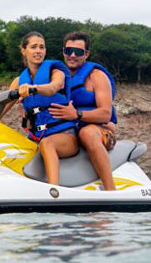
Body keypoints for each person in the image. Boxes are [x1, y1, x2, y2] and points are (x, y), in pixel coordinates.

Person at [1, 32, 78, 186]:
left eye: (41, 47)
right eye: (33, 47)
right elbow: (1, 108)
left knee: (47, 144)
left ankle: (54, 191)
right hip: (35, 137)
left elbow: (53, 88)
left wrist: (33, 88)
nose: (38, 51)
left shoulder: (56, 72)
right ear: (23, 50)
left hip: (65, 136)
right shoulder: (19, 81)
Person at [48, 31, 117, 191]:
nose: (72, 55)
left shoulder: (97, 76)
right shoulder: (57, 77)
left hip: (99, 129)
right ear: (63, 51)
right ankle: (51, 188)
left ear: (86, 54)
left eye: (78, 52)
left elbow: (105, 114)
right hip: (70, 129)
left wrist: (77, 114)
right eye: (68, 51)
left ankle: (111, 190)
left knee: (86, 133)